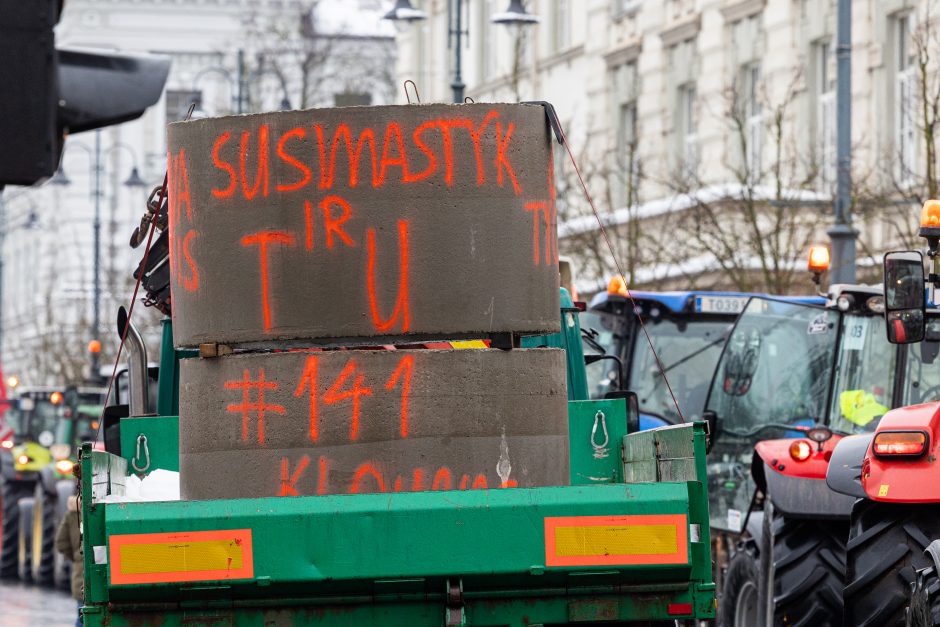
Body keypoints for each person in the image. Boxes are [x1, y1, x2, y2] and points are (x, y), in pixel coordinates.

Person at [55, 485, 83, 627]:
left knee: (81, 617)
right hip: (102, 576)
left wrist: (76, 557)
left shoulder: (72, 513)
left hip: (80, 576)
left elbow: (60, 542)